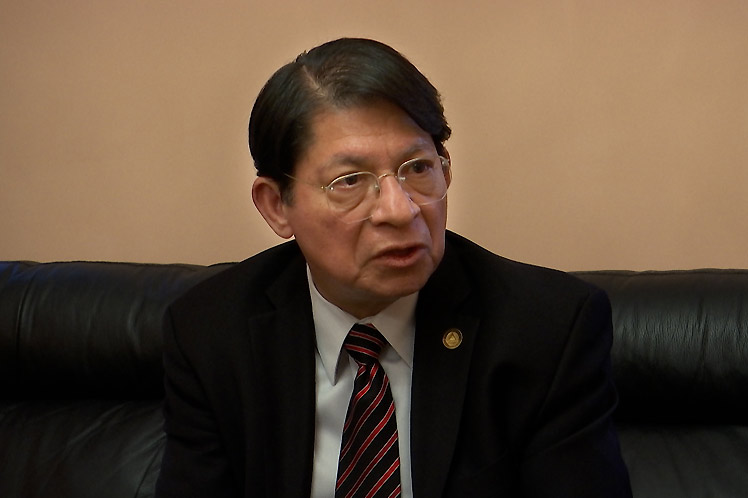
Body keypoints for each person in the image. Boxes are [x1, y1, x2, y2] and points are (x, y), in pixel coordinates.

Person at [155, 38, 632, 497]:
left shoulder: (547, 331)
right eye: (349, 181)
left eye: (418, 168)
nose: (400, 210)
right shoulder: (210, 334)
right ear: (277, 206)